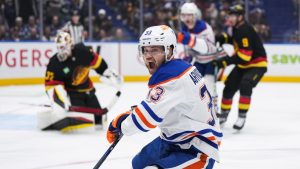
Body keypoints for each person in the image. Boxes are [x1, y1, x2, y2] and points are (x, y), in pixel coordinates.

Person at [106, 25, 222, 169]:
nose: (148, 55)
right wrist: (131, 114)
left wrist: (122, 125)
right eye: (145, 50)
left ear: (170, 50)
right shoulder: (178, 68)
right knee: (138, 163)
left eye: (155, 50)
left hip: (197, 148)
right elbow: (167, 106)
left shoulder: (171, 76)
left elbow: (146, 120)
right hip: (175, 139)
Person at [41, 31, 123, 132]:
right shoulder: (54, 63)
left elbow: (98, 63)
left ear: (70, 45)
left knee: (100, 120)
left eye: (63, 47)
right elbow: (50, 86)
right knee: (82, 123)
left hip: (89, 91)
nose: (60, 51)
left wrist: (108, 73)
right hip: (73, 94)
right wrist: (59, 100)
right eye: (58, 47)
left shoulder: (83, 51)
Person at [214, 4, 267, 130]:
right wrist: (225, 38)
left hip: (257, 65)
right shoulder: (237, 28)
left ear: (241, 17)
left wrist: (225, 61)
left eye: (233, 15)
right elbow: (236, 41)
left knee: (246, 84)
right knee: (229, 87)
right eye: (229, 15)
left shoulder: (245, 29)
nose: (230, 18)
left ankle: (241, 116)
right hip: (243, 65)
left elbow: (245, 57)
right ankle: (223, 115)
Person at [177, 2, 221, 116]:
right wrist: (187, 56)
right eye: (184, 15)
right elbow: (189, 48)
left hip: (211, 61)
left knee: (210, 85)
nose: (186, 18)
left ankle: (214, 109)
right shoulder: (185, 28)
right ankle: (197, 110)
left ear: (195, 15)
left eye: (189, 15)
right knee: (192, 85)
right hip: (199, 61)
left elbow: (206, 48)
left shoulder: (204, 28)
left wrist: (188, 39)